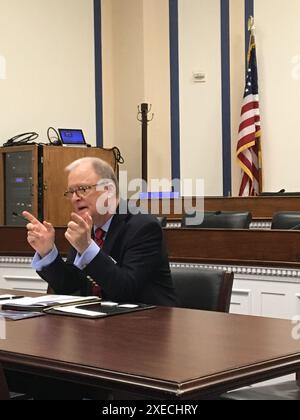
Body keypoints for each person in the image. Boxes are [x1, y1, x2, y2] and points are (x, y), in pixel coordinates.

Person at [23, 157, 178, 307]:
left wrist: (87, 249)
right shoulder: (87, 228)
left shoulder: (143, 227)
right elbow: (69, 286)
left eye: (82, 189)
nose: (75, 198)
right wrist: (47, 251)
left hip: (147, 324)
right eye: (71, 192)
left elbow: (125, 290)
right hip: (98, 324)